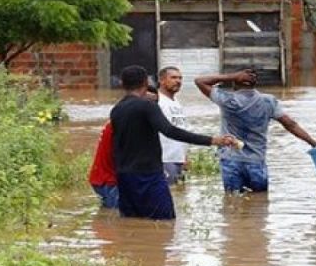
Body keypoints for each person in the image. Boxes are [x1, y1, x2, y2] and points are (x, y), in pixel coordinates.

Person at [111, 65, 235, 220]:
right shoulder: (148, 106)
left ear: (122, 84)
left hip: (124, 177)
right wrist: (212, 140)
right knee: (165, 221)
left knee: (132, 222)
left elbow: (116, 146)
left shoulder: (117, 109)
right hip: (149, 174)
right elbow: (170, 131)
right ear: (146, 82)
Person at [194, 69, 316, 193]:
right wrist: (313, 143)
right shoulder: (268, 101)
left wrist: (233, 75)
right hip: (256, 161)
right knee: (259, 205)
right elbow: (290, 124)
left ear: (234, 83)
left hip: (231, 160)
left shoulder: (228, 100)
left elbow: (200, 81)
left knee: (233, 204)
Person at [87, 85, 159, 208]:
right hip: (111, 182)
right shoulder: (126, 124)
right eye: (147, 102)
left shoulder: (125, 118)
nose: (151, 106)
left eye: (155, 102)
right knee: (121, 219)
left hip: (106, 179)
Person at [157, 66, 188, 185]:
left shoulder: (176, 102)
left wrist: (184, 156)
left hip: (178, 158)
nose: (178, 81)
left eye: (180, 78)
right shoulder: (157, 101)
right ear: (162, 80)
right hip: (164, 159)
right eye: (173, 77)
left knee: (178, 194)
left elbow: (181, 130)